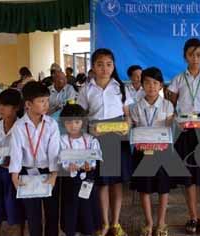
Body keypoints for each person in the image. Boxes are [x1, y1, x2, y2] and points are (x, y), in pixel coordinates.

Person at [77, 48, 130, 236]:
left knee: (116, 183)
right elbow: (80, 118)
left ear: (113, 66)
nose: (104, 68)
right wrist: (89, 130)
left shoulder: (121, 87)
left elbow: (128, 116)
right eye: (100, 64)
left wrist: (127, 126)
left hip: (117, 139)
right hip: (96, 141)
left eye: (108, 64)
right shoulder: (85, 89)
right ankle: (104, 223)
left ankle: (115, 223)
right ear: (93, 67)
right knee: (102, 184)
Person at [168, 38, 200, 234]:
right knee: (188, 177)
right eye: (191, 55)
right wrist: (178, 122)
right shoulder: (178, 79)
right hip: (186, 131)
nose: (195, 58)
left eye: (199, 54)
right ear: (185, 56)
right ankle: (192, 217)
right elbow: (171, 107)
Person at [9, 81, 61, 236]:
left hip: (48, 172)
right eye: (41, 101)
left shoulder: (52, 124)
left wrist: (54, 174)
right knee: (33, 215)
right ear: (28, 104)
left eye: (47, 100)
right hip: (27, 173)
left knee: (52, 213)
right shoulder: (19, 126)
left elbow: (54, 151)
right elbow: (16, 151)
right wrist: (14, 175)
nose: (46, 104)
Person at [130, 67, 175, 236]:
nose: (151, 86)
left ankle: (161, 222)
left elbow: (170, 127)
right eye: (147, 82)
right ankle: (149, 222)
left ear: (161, 85)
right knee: (145, 188)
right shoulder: (136, 107)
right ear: (142, 85)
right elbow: (133, 128)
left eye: (155, 83)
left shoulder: (168, 105)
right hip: (142, 153)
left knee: (163, 188)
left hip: (162, 152)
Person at [0, 89, 25, 236]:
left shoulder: (21, 127)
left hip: (14, 172)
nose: (1, 108)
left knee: (15, 204)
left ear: (16, 108)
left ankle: (19, 232)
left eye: (6, 105)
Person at [59, 103, 102, 236]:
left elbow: (95, 155)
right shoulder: (62, 140)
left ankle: (88, 231)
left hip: (87, 178)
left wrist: (90, 164)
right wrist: (67, 165)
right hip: (70, 181)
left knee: (87, 207)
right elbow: (60, 157)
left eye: (77, 122)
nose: (73, 126)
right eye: (69, 122)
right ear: (63, 123)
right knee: (71, 206)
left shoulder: (90, 139)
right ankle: (71, 231)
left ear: (83, 122)